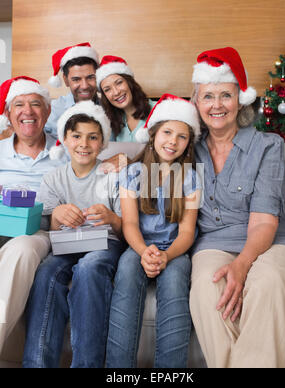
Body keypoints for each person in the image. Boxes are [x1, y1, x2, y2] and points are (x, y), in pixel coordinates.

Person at [189, 47, 285, 368]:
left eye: (226, 95)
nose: (217, 105)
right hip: (214, 244)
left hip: (274, 242)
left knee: (265, 282)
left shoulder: (268, 145)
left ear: (240, 100)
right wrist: (119, 162)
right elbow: (152, 162)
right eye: (208, 96)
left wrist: (242, 265)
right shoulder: (187, 148)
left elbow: (265, 222)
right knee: (207, 289)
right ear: (196, 103)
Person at [23, 101, 126, 368]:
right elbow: (47, 226)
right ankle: (36, 364)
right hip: (66, 244)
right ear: (65, 140)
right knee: (46, 272)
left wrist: (112, 218)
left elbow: (129, 228)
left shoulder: (113, 175)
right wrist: (57, 216)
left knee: (90, 268)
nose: (84, 143)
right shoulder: (54, 178)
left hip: (105, 244)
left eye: (93, 137)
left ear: (103, 142)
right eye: (77, 136)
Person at [106, 93, 202, 368]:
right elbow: (130, 224)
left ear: (188, 144)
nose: (173, 141)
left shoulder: (191, 178)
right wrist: (144, 252)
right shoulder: (133, 173)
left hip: (174, 249)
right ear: (153, 135)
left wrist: (166, 256)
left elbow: (186, 233)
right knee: (126, 271)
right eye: (167, 132)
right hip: (138, 245)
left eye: (181, 137)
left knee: (174, 282)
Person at [0, 76, 68, 353]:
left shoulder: (66, 150)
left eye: (36, 104)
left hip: (39, 230)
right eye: (19, 105)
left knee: (23, 250)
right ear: (7, 114)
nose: (28, 111)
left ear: (48, 111)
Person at [44, 42, 100, 137]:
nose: (84, 86)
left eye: (90, 77)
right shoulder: (51, 111)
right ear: (66, 80)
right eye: (76, 79)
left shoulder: (110, 109)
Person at [96, 55, 155, 143]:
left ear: (130, 83)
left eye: (119, 83)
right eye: (107, 89)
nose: (116, 92)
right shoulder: (113, 122)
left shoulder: (158, 110)